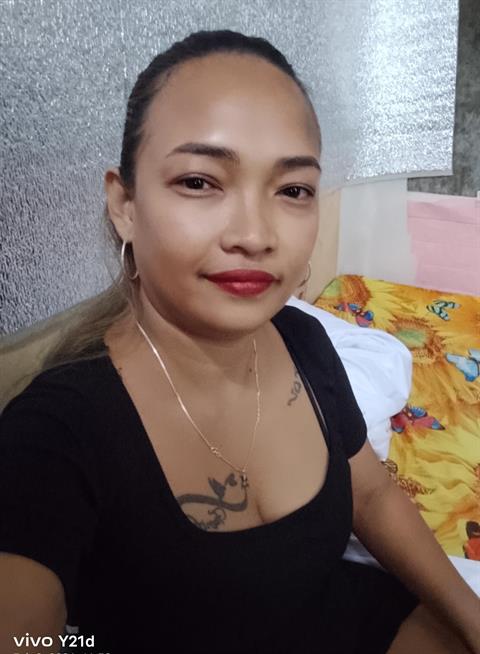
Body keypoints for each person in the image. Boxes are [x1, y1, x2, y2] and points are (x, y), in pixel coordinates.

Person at [0, 29, 479, 654]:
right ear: (124, 204)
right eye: (200, 182)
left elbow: (372, 492)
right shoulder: (57, 432)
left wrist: (471, 620)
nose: (255, 235)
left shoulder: (303, 339)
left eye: (293, 190)